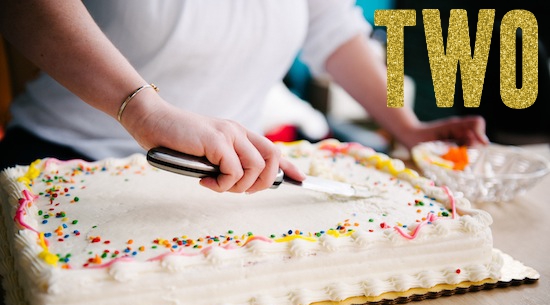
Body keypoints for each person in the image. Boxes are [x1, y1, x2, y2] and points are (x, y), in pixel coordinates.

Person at [0, 0, 488, 194]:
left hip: (228, 178)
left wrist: (408, 127)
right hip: (64, 160)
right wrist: (144, 109)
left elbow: (335, 31)